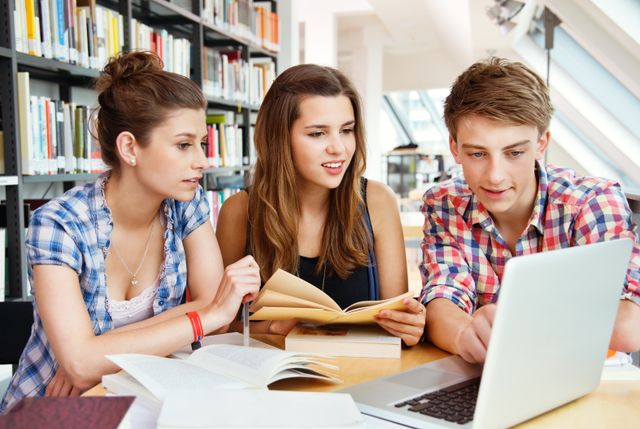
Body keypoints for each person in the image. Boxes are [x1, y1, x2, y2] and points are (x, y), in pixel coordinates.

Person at [0, 51, 260, 412]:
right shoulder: (57, 223)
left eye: (202, 144)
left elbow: (209, 308)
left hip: (141, 396)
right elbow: (212, 312)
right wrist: (205, 315)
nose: (202, 160)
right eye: (184, 145)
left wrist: (97, 350)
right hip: (52, 407)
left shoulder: (186, 201)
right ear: (129, 148)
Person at [420, 57, 640, 364]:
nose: (495, 175)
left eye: (514, 152)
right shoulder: (444, 204)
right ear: (455, 148)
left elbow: (628, 326)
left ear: (541, 144)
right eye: (478, 153)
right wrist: (463, 336)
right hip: (486, 373)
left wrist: (513, 323)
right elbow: (442, 301)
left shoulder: (592, 201)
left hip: (589, 376)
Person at [216, 64, 426, 346]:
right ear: (279, 138)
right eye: (318, 134)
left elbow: (394, 322)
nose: (339, 148)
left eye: (347, 130)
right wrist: (270, 328)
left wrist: (409, 326)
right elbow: (218, 328)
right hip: (271, 381)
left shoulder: (378, 202)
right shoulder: (240, 210)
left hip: (361, 377)